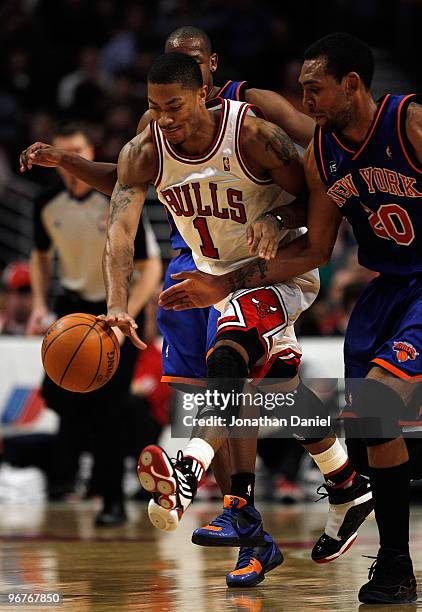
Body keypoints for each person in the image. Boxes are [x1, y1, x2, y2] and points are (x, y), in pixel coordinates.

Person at [19, 28, 373, 584]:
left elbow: (321, 177)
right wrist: (117, 307)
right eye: (154, 106)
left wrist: (278, 220)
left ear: (208, 76)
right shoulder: (148, 141)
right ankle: (345, 482)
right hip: (207, 271)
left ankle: (195, 477)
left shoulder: (253, 121)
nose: (163, 117)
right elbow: (121, 221)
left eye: (174, 103)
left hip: (275, 267)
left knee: (229, 356)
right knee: (271, 390)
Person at [160, 33, 421, 605]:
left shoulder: (407, 122)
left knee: (249, 362)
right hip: (379, 290)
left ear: (352, 84)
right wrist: (240, 267)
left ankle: (196, 475)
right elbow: (317, 247)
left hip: (410, 282)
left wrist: (270, 226)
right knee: (359, 416)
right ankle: (382, 542)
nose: (305, 101)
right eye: (301, 89)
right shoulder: (324, 149)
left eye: (314, 88)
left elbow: (298, 205)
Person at [26, 122, 162, 526]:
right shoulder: (46, 202)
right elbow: (38, 254)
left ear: (89, 150)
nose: (73, 162)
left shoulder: (117, 197)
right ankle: (69, 481)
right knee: (62, 396)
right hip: (71, 309)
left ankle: (112, 500)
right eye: (64, 154)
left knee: (111, 409)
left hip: (113, 309)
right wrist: (37, 303)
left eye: (79, 151)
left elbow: (151, 267)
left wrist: (125, 318)